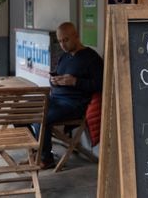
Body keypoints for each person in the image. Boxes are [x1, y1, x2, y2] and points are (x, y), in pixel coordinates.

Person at [35, 22, 103, 169]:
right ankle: (36, 153)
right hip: (56, 99)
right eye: (59, 41)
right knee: (26, 111)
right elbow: (57, 77)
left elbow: (100, 85)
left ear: (76, 36)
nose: (63, 44)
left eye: (66, 40)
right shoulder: (64, 57)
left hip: (74, 104)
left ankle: (46, 159)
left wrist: (75, 82)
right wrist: (54, 80)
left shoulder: (91, 58)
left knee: (41, 117)